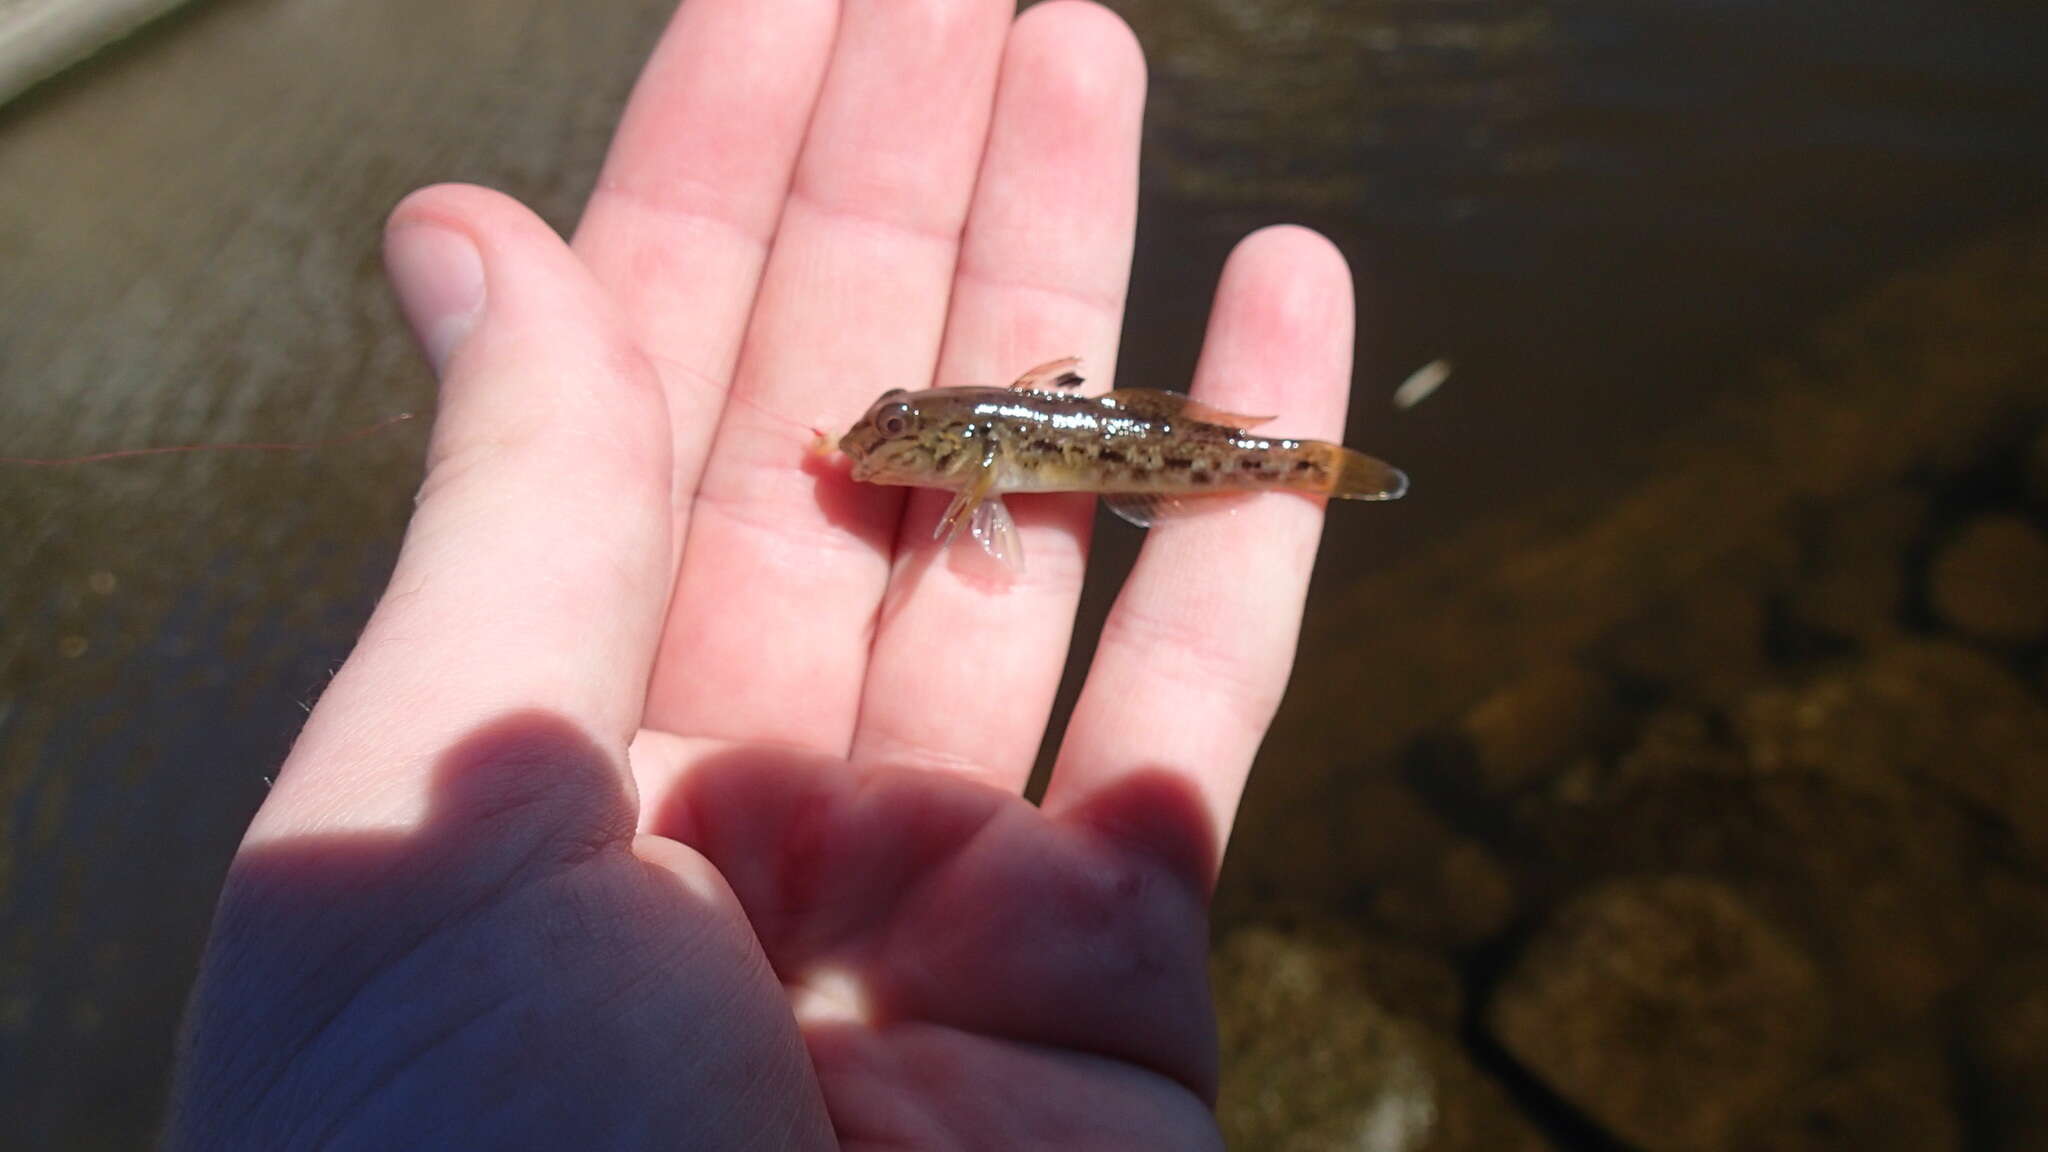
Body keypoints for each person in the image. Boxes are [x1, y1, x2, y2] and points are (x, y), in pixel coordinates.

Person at [167, 0, 1364, 1146]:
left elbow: (986, 503)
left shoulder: (990, 463)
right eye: (898, 434)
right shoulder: (960, 446)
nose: (883, 447)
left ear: (967, 456)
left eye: (911, 444)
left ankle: (1297, 463)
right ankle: (1296, 462)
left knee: (1253, 456)